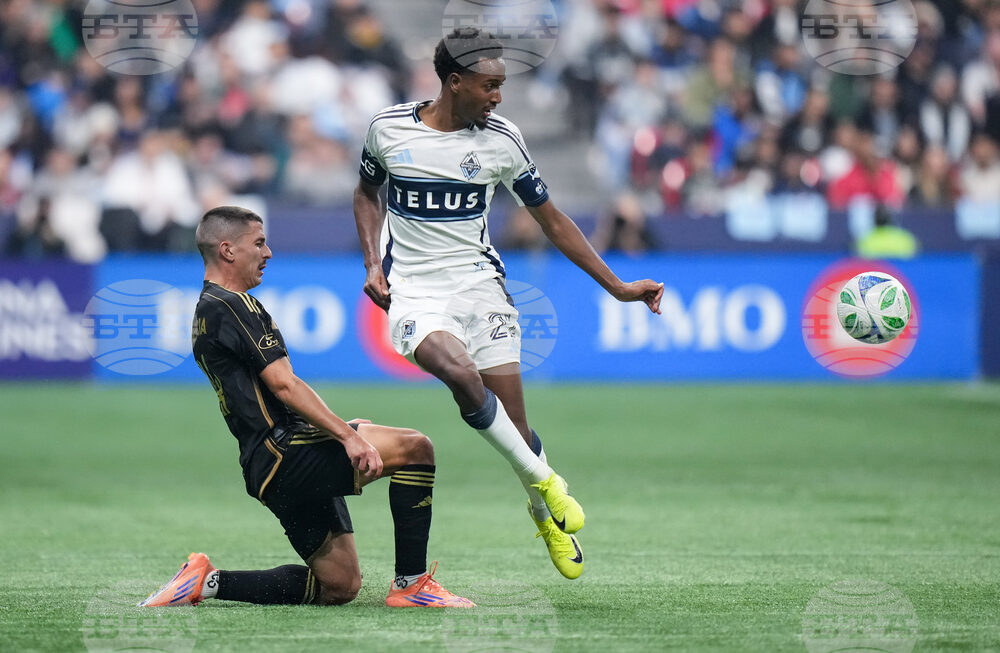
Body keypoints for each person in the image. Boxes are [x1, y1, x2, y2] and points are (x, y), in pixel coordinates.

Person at [353, 28, 663, 580]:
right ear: (454, 82)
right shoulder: (388, 129)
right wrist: (374, 263)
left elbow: (552, 220)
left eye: (501, 86)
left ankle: (541, 511)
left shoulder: (502, 140)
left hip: (480, 287)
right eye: (489, 85)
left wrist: (617, 287)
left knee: (517, 430)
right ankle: (547, 481)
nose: (498, 97)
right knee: (458, 372)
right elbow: (365, 192)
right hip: (415, 291)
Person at [140, 206, 473, 609]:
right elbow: (284, 384)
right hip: (286, 454)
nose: (269, 253)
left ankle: (205, 582)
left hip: (265, 468)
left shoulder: (206, 309)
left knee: (340, 586)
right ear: (227, 250)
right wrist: (347, 436)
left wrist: (338, 429)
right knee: (416, 448)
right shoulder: (232, 305)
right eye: (259, 243)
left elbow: (264, 394)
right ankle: (412, 584)